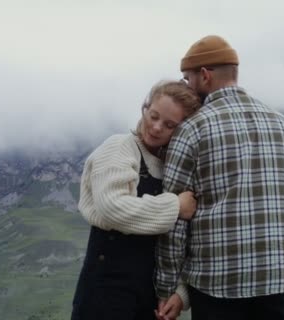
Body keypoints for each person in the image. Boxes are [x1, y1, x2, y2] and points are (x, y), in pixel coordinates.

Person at [154, 35, 284, 320]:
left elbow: (174, 217)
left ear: (204, 76)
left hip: (216, 288)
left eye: (188, 78)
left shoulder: (191, 130)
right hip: (277, 284)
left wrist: (167, 286)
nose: (187, 86)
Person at [71, 80, 202, 320]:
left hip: (150, 300)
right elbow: (113, 207)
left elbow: (186, 241)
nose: (156, 127)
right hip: (104, 295)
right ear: (146, 107)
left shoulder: (172, 168)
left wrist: (181, 293)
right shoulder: (119, 148)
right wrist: (175, 206)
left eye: (169, 125)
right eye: (153, 116)